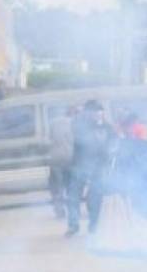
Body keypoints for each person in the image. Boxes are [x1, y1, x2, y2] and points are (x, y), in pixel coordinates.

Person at [66, 100, 116, 237]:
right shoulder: (79, 125)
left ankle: (94, 225)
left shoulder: (107, 128)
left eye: (100, 112)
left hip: (98, 168)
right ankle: (73, 225)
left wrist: (109, 154)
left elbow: (113, 145)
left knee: (95, 198)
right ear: (87, 113)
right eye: (94, 112)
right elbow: (76, 135)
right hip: (79, 166)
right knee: (73, 197)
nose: (97, 115)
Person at [48, 106, 76, 218]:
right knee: (70, 184)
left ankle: (59, 210)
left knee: (57, 185)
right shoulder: (72, 122)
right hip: (70, 156)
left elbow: (50, 138)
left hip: (55, 157)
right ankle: (72, 209)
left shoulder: (52, 123)